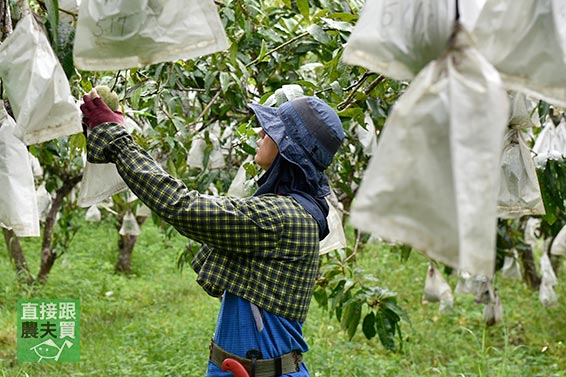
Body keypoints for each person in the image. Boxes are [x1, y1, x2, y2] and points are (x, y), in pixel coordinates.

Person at [81, 92, 344, 377]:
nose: (260, 132)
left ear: (288, 149)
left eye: (271, 131)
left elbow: (182, 206)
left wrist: (118, 140)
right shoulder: (288, 208)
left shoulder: (282, 217)